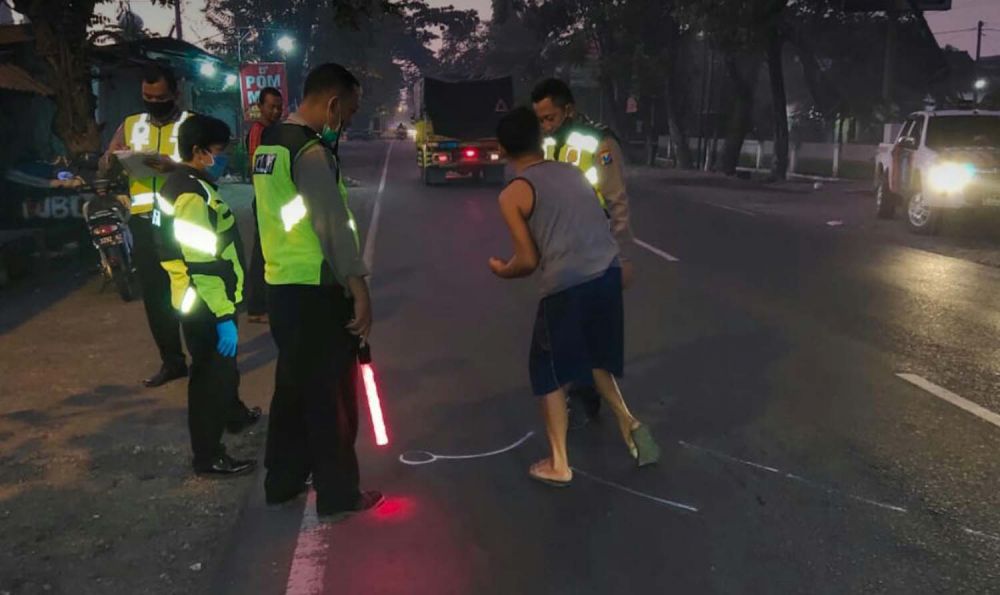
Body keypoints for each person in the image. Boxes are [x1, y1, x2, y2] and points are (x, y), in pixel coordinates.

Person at [489, 106, 660, 486]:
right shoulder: (572, 171)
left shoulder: (514, 193)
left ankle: (559, 464)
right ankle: (630, 423)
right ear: (540, 139)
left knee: (547, 370)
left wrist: (503, 269)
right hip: (607, 272)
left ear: (501, 149)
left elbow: (529, 259)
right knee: (594, 357)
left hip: (568, 283)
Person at [252, 63, 382, 521]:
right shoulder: (309, 151)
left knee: (292, 388)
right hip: (316, 290)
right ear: (332, 103)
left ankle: (283, 480)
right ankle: (338, 493)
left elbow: (272, 216)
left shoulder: (269, 144)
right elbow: (330, 225)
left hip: (282, 287)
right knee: (333, 396)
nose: (348, 119)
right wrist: (358, 287)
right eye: (349, 109)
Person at [155, 114, 257, 476]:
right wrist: (225, 316)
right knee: (211, 380)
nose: (222, 157)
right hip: (205, 302)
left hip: (194, 298)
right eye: (217, 151)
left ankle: (230, 420)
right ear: (199, 151)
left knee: (215, 375)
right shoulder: (191, 195)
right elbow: (204, 263)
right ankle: (208, 456)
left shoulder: (179, 184)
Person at [531, 77, 636, 426]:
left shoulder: (599, 142)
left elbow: (617, 202)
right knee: (564, 328)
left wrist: (623, 256)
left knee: (586, 330)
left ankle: (587, 394)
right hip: (559, 251)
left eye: (550, 117)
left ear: (569, 110)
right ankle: (577, 389)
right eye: (541, 119)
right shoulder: (548, 146)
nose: (545, 125)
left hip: (594, 252)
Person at [98, 63, 191, 388]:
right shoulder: (131, 124)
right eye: (147, 96)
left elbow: (211, 167)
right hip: (143, 221)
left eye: (160, 96)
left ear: (175, 93)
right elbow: (106, 161)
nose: (153, 102)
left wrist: (175, 165)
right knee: (156, 297)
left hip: (182, 220)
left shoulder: (191, 125)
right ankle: (172, 361)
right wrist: (115, 159)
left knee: (191, 293)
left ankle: (205, 359)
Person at [245, 87, 284, 324]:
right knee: (261, 254)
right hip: (263, 200)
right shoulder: (258, 132)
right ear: (260, 106)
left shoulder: (273, 130)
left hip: (273, 201)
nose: (276, 111)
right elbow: (258, 169)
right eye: (272, 106)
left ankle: (264, 303)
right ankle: (257, 307)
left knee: (268, 251)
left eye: (279, 106)